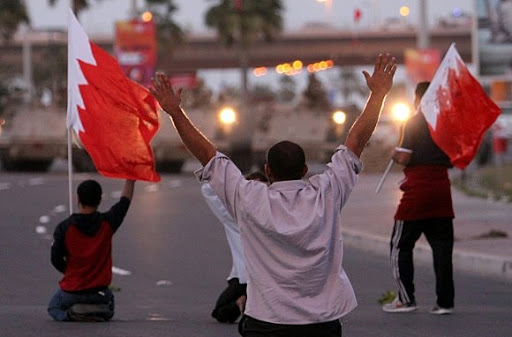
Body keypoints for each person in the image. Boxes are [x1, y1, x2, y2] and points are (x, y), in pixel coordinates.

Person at [150, 53, 396, 337]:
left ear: (267, 170)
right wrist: (378, 95)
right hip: (321, 324)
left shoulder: (248, 197)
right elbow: (356, 142)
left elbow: (207, 155)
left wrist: (174, 111)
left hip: (265, 322)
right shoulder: (327, 193)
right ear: (305, 169)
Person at [382, 82, 455, 315]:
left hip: (417, 193)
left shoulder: (413, 122)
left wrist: (393, 153)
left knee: (399, 245)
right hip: (442, 192)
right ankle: (445, 303)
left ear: (417, 99)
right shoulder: (445, 125)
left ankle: (406, 299)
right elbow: (453, 159)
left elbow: (405, 157)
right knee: (442, 249)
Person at [47, 179, 135, 322]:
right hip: (99, 292)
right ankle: (98, 311)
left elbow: (55, 259)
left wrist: (70, 273)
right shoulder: (108, 223)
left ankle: (71, 315)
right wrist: (130, 181)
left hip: (73, 291)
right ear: (100, 199)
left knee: (53, 307)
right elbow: (124, 203)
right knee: (108, 303)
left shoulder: (64, 228)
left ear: (78, 198)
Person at [202, 171, 268, 324]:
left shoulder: (233, 216)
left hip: (248, 278)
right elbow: (207, 189)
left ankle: (247, 300)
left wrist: (240, 184)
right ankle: (247, 300)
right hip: (249, 277)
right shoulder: (234, 214)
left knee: (222, 312)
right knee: (222, 312)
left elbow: (207, 189)